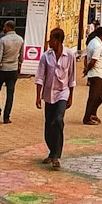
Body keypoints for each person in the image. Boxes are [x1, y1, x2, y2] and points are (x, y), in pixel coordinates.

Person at [34, 27, 75, 170]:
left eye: (51, 38)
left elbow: (71, 77)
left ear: (58, 40)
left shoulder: (69, 55)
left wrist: (71, 97)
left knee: (58, 120)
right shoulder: (46, 56)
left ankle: (57, 155)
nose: (49, 41)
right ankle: (52, 150)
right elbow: (40, 77)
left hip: (62, 93)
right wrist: (38, 96)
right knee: (49, 124)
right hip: (48, 94)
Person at [0, 22, 24, 124]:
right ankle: (6, 117)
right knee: (10, 93)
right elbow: (21, 55)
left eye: (4, 26)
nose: (3, 28)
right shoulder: (20, 39)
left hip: (2, 69)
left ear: (8, 27)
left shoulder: (3, 40)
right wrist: (19, 64)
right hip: (13, 69)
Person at [83, 26, 102, 124]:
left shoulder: (93, 42)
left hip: (98, 73)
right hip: (96, 73)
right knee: (94, 96)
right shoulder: (97, 45)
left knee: (101, 93)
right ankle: (87, 117)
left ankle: (93, 113)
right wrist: (87, 70)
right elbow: (93, 60)